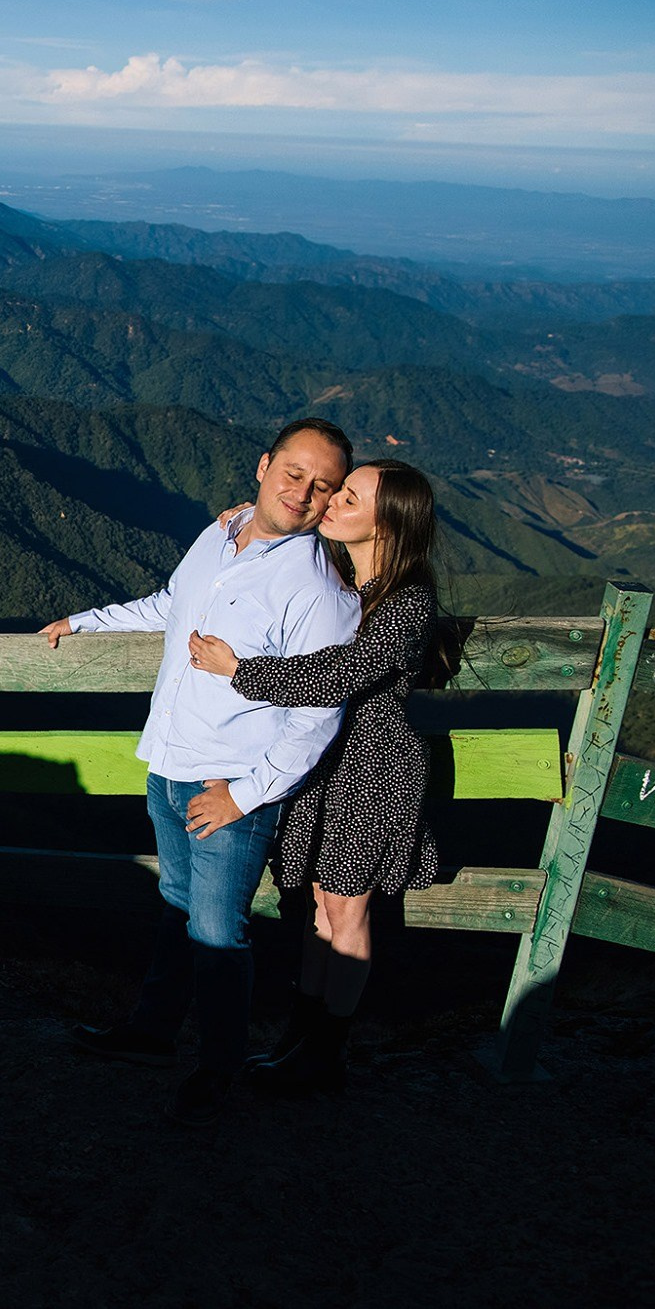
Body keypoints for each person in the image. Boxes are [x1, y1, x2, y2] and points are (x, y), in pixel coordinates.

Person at [41, 417, 359, 1126]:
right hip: (168, 761)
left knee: (218, 932)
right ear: (264, 466)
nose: (304, 492)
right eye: (295, 473)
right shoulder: (221, 533)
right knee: (178, 906)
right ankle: (152, 1034)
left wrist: (244, 798)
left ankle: (217, 1071)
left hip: (229, 783)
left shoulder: (318, 590)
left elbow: (317, 715)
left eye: (324, 486)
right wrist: (85, 621)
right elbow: (172, 604)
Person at [184, 458, 441, 1097]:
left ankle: (325, 1054)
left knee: (346, 911)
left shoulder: (407, 601)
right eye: (339, 490)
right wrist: (243, 518)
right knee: (318, 907)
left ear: (387, 525)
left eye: (350, 498)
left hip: (373, 767)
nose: (331, 501)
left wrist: (240, 671)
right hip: (325, 762)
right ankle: (301, 1043)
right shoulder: (346, 575)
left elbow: (340, 673)